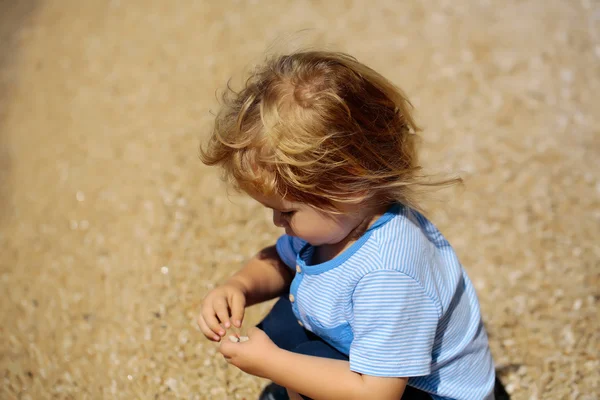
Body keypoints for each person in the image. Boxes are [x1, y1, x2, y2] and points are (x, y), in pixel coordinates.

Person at [198, 50, 502, 400]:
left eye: (288, 211)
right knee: (283, 321)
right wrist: (239, 286)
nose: (276, 221)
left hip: (419, 392)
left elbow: (377, 393)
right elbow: (282, 261)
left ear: (350, 187)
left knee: (299, 356)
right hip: (381, 373)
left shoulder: (389, 274)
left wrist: (272, 362)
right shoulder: (339, 221)